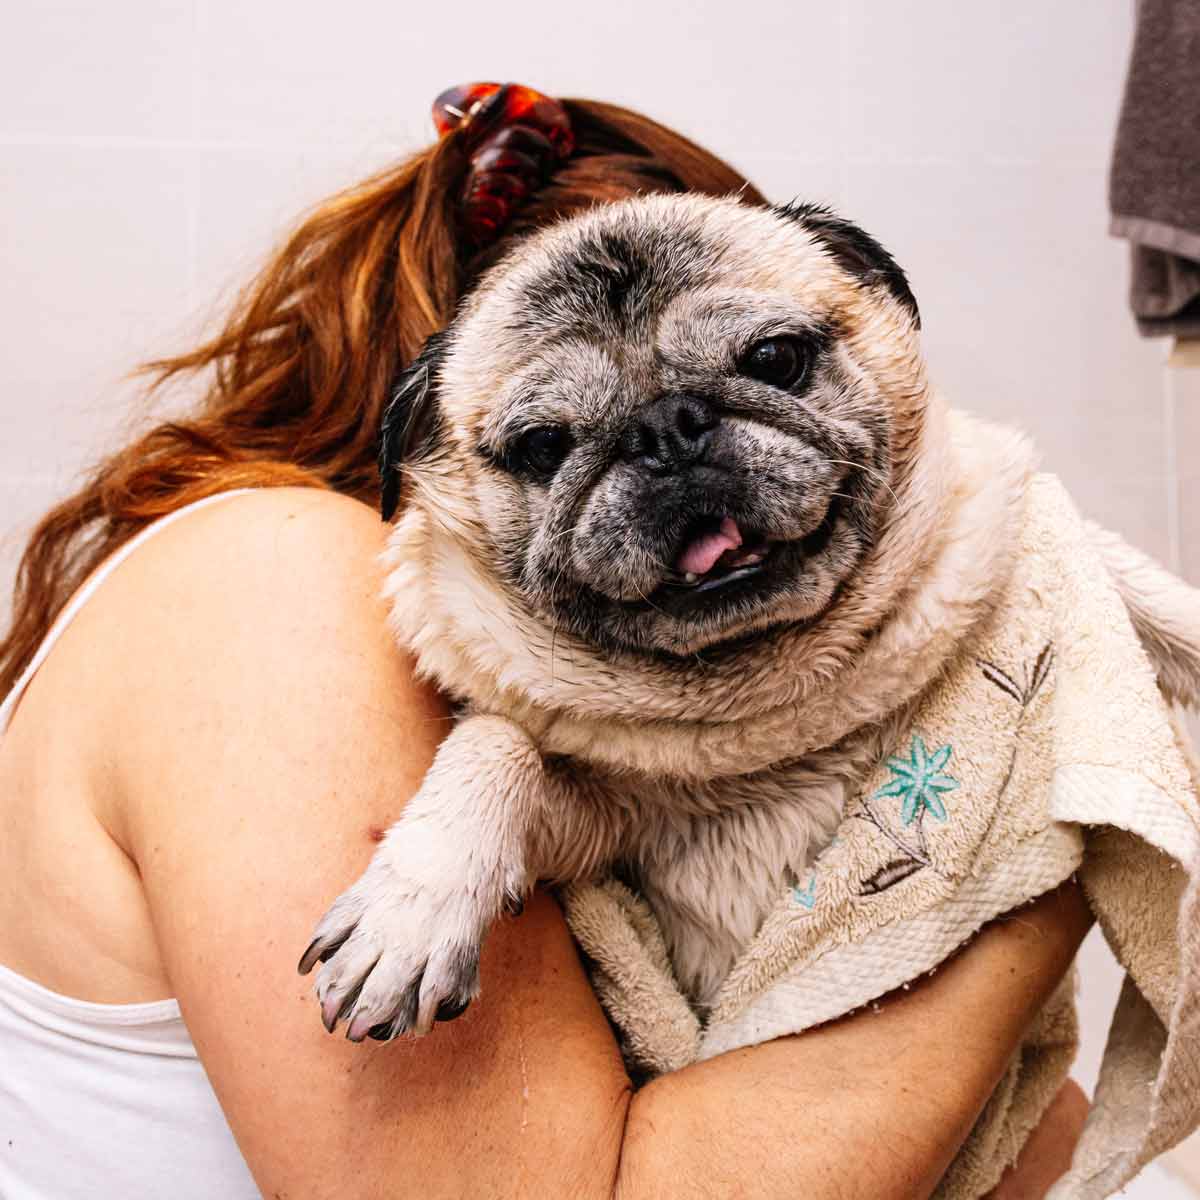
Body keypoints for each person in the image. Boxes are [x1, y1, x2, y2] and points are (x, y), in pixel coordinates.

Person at [0, 86, 1092, 1199]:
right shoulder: (277, 580)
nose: (678, 447)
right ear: (422, 447)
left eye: (768, 363)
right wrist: (1057, 815)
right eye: (550, 437)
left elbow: (1040, 1146)